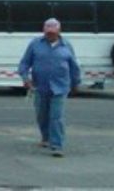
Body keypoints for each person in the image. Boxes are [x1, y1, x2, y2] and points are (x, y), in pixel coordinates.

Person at [18, 18, 81, 157]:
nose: (50, 35)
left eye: (53, 32)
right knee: (42, 115)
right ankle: (46, 137)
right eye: (48, 32)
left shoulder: (66, 46)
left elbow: (74, 66)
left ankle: (57, 145)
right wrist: (25, 78)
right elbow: (24, 63)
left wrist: (75, 83)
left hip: (60, 87)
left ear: (59, 31)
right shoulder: (35, 44)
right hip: (40, 86)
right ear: (44, 31)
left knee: (56, 116)